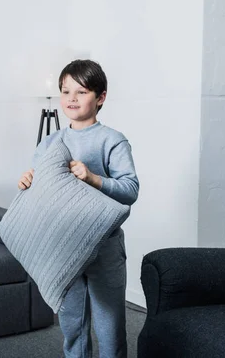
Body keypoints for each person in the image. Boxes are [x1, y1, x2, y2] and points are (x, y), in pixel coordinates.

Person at [18, 59, 139, 358]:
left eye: (81, 91)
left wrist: (94, 178)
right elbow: (42, 193)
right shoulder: (50, 142)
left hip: (104, 249)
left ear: (100, 97)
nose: (71, 98)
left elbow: (131, 190)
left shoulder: (113, 140)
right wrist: (28, 181)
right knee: (72, 329)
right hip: (64, 249)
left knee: (110, 329)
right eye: (65, 91)